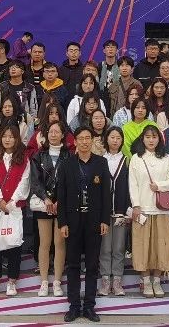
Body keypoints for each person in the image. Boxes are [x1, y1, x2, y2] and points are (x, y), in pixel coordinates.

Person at [55, 126, 110, 322]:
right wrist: (62, 222)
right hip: (73, 222)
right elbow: (61, 195)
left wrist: (105, 220)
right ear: (75, 141)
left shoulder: (101, 163)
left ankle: (89, 307)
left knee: (93, 265)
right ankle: (73, 306)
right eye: (81, 138)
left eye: (88, 138)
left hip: (94, 221)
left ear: (92, 141)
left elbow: (106, 194)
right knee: (73, 265)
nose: (85, 141)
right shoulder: (66, 164)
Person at [128, 125, 169, 297]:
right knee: (143, 246)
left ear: (159, 139)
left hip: (161, 210)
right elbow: (132, 184)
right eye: (148, 137)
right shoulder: (136, 158)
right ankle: (146, 281)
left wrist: (159, 186)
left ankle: (157, 281)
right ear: (142, 138)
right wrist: (136, 205)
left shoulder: (166, 158)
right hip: (143, 209)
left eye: (154, 137)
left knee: (161, 246)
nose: (151, 140)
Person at [0, 124, 30, 297]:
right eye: (5, 136)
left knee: (14, 244)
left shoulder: (23, 158)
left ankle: (12, 281)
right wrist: (0, 199)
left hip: (15, 207)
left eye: (11, 136)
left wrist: (12, 201)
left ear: (17, 139)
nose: (8, 139)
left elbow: (25, 181)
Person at [29, 120, 69, 296]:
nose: (53, 135)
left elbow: (70, 181)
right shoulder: (39, 155)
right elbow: (35, 181)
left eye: (57, 132)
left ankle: (57, 282)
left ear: (63, 135)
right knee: (44, 243)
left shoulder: (69, 155)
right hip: (43, 204)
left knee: (59, 243)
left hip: (62, 205)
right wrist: (45, 198)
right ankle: (44, 282)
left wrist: (60, 200)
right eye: (51, 131)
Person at [97, 126, 131, 297]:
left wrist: (128, 209)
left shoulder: (127, 160)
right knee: (105, 247)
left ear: (122, 140)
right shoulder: (100, 160)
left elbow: (130, 186)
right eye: (112, 137)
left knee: (118, 247)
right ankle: (105, 281)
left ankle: (117, 281)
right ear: (106, 139)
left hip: (120, 210)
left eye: (118, 137)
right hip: (102, 211)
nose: (115, 140)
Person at [0, 60, 39, 134]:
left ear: (22, 71)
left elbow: (33, 108)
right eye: (11, 67)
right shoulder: (2, 87)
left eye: (16, 67)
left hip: (24, 122)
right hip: (5, 122)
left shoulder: (30, 87)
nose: (13, 69)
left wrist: (31, 123)